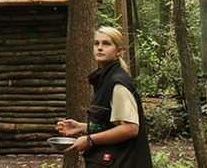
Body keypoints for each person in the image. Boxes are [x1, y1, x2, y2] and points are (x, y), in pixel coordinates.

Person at [55, 27, 153, 167]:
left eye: (106, 44)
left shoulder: (118, 82)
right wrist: (81, 127)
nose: (100, 48)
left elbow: (130, 128)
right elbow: (109, 125)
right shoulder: (105, 79)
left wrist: (89, 140)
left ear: (118, 51)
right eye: (97, 44)